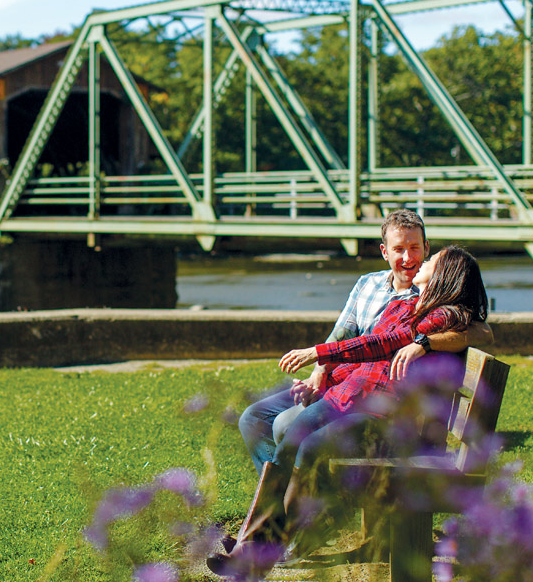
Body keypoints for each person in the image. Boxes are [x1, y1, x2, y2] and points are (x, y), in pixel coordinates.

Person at [209, 246, 490, 579]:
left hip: (384, 417)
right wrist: (326, 375)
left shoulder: (440, 318)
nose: (422, 261)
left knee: (304, 444)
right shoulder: (407, 305)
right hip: (353, 399)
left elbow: (384, 345)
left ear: (445, 276)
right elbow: (369, 357)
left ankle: (258, 546)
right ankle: (258, 543)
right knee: (289, 439)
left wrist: (319, 353)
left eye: (430, 259)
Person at [237, 209, 492, 473]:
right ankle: (276, 498)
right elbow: (342, 334)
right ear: (385, 252)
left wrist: (424, 343)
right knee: (252, 419)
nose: (408, 258)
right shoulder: (368, 284)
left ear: (427, 248)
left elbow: (482, 331)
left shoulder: (432, 300)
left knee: (287, 427)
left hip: (372, 403)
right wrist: (318, 374)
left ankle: (285, 501)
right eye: (399, 249)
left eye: (415, 248)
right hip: (345, 384)